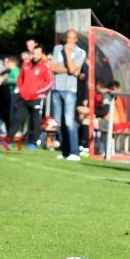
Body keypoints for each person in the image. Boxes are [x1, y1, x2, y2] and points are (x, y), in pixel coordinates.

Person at [50, 29, 86, 161]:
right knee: (60, 122)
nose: (69, 41)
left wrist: (67, 53)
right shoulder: (57, 48)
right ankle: (65, 152)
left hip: (70, 90)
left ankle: (74, 152)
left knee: (69, 121)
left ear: (76, 39)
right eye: (68, 38)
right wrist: (70, 70)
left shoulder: (80, 52)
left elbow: (73, 70)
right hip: (56, 88)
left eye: (72, 38)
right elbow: (52, 67)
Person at [7, 44, 53, 147]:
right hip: (24, 97)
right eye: (33, 53)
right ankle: (8, 140)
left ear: (42, 54)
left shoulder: (45, 66)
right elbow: (20, 79)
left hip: (37, 98)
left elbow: (49, 82)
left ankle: (33, 142)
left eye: (38, 53)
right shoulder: (26, 64)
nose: (35, 55)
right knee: (17, 118)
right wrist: (22, 90)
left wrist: (39, 92)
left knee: (35, 121)